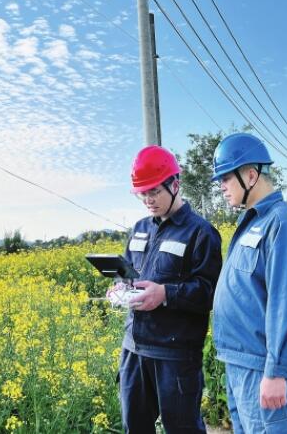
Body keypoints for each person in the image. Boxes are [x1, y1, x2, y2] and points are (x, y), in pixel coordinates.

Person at [210, 133, 287, 433]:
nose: (221, 186)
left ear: (250, 174)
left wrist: (277, 370)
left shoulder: (282, 224)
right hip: (241, 363)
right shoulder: (253, 222)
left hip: (265, 369)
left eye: (226, 178)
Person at [114, 145, 222, 434]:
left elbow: (209, 292)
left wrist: (165, 294)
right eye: (143, 193)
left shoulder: (201, 232)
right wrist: (119, 288)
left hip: (175, 356)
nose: (148, 200)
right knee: (134, 427)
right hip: (134, 349)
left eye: (154, 191)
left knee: (182, 429)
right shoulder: (139, 228)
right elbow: (126, 272)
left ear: (175, 184)